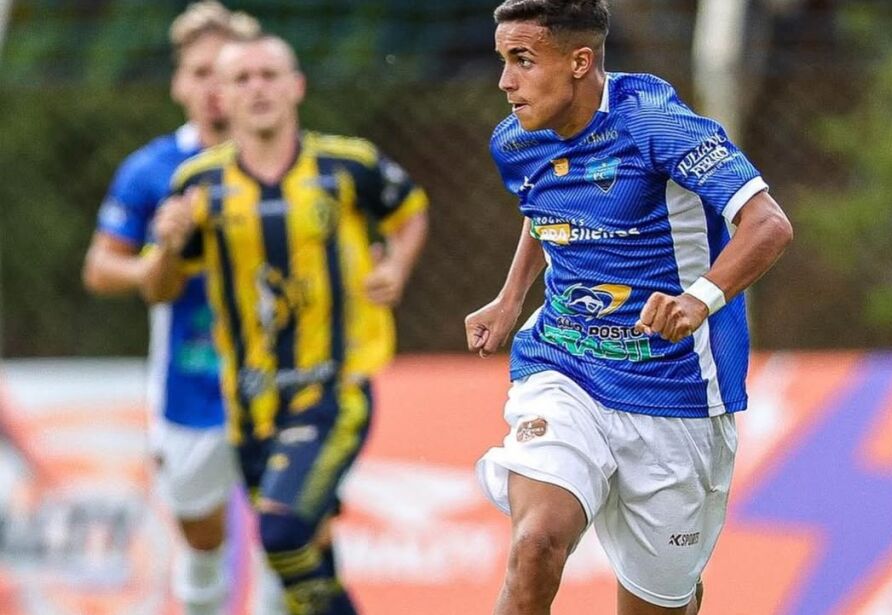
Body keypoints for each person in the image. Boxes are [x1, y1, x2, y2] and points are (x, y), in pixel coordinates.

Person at [464, 1, 794, 614]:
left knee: (658, 604)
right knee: (536, 545)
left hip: (676, 390)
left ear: (579, 62)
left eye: (523, 60)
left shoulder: (660, 128)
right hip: (565, 365)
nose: (506, 81)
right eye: (503, 60)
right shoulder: (516, 140)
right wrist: (511, 298)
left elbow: (768, 225)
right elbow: (545, 208)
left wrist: (699, 299)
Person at [146, 34, 429, 615]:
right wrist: (168, 247)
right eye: (242, 78)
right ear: (222, 96)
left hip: (333, 390)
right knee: (304, 561)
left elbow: (411, 210)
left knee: (280, 532)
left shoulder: (348, 165)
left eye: (269, 75)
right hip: (249, 402)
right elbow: (160, 289)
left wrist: (396, 267)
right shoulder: (199, 183)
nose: (258, 88)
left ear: (296, 86)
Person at [80, 4, 282, 615]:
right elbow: (100, 268)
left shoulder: (294, 162)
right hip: (191, 382)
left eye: (227, 72)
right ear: (178, 83)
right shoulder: (152, 171)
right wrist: (157, 263)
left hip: (284, 376)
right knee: (201, 540)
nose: (214, 88)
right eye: (200, 72)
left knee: (289, 535)